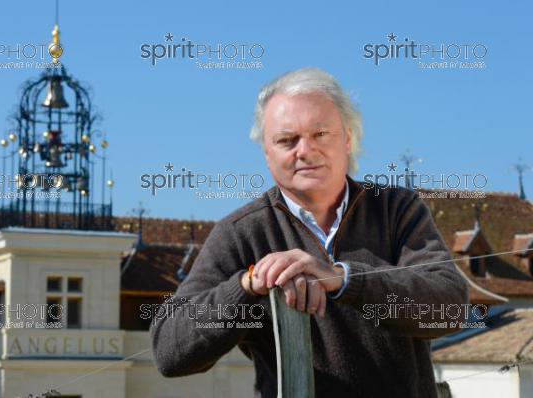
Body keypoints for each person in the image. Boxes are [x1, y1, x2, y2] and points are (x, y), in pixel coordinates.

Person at [150, 67, 469, 397]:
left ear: (347, 138)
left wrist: (343, 279)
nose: (304, 150)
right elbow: (169, 352)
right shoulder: (241, 233)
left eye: (320, 134)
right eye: (287, 140)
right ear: (267, 152)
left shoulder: (396, 210)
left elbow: (450, 309)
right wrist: (248, 285)